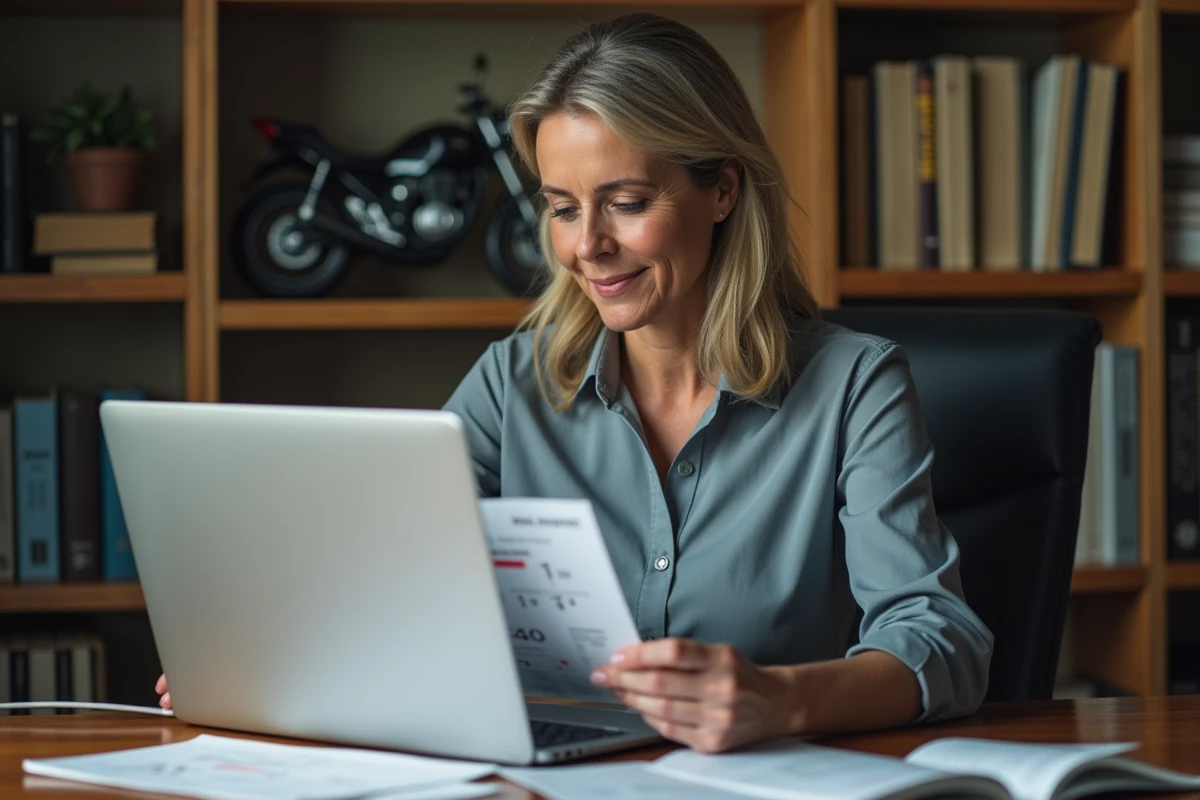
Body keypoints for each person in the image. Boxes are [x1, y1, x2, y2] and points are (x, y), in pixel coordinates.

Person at [158, 12, 993, 753]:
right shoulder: (509, 385)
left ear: (723, 191)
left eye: (625, 202)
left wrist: (782, 699)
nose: (585, 245)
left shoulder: (856, 385)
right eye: (562, 207)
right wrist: (267, 656)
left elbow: (940, 637)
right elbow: (378, 580)